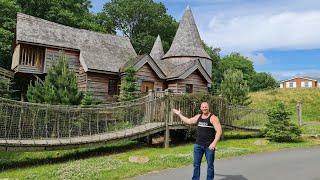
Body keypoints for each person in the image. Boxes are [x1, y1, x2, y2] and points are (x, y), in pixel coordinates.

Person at [173, 102, 222, 180]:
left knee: (210, 165)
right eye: (203, 107)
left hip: (209, 146)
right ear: (200, 108)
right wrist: (179, 114)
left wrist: (214, 143)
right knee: (196, 165)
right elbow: (188, 121)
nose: (204, 108)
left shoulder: (213, 118)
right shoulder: (198, 117)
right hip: (198, 145)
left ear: (208, 107)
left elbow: (219, 131)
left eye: (206, 107)